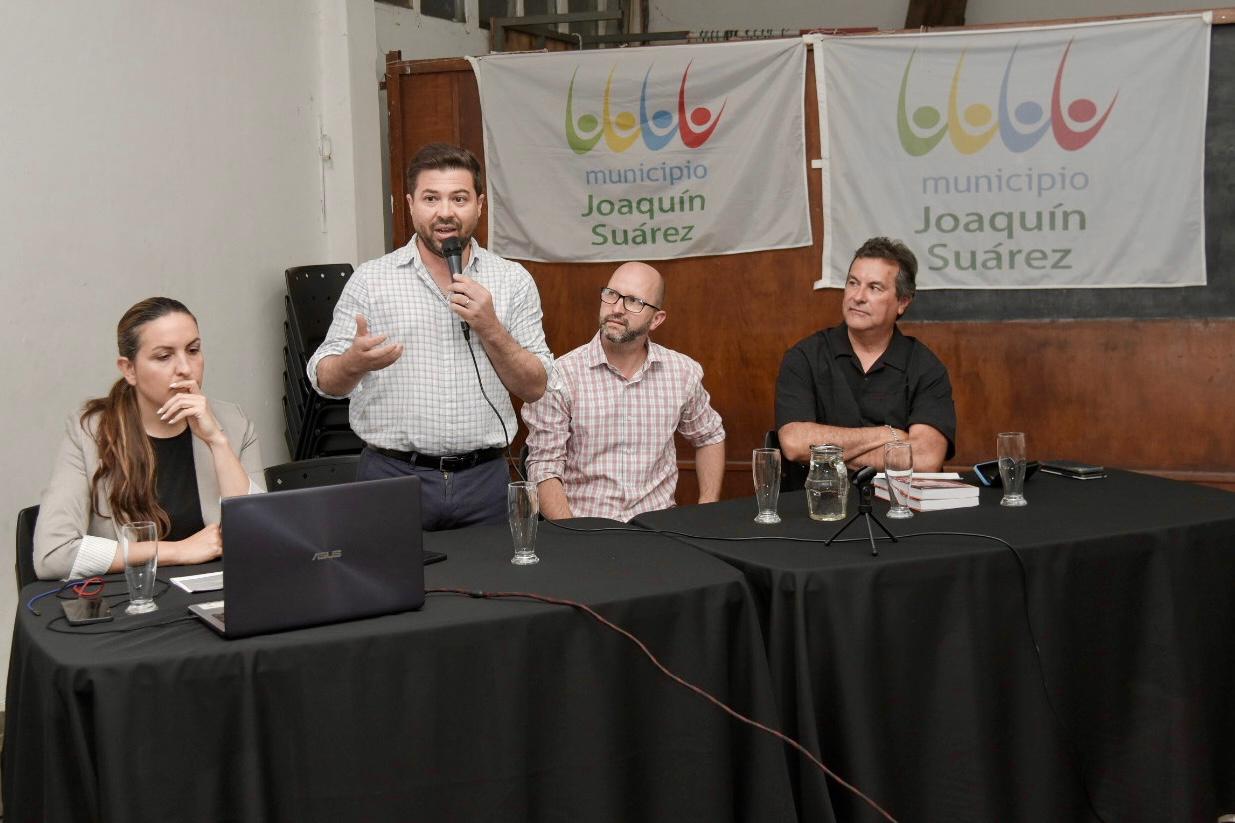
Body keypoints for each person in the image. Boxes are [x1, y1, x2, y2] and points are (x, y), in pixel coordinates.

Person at [308, 143, 552, 529]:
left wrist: (490, 327)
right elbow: (325, 381)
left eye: (459, 198)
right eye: (430, 198)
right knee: (388, 589)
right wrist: (354, 362)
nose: (445, 212)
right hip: (391, 479)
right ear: (410, 204)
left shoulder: (512, 281)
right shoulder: (372, 280)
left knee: (494, 588)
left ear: (480, 204)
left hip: (485, 482)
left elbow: (536, 386)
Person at [34, 298, 264, 580]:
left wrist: (216, 440)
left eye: (193, 350)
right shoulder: (90, 431)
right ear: (129, 369)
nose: (185, 368)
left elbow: (260, 539)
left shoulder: (233, 423)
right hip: (134, 603)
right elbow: (52, 555)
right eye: (164, 356)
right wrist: (177, 550)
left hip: (220, 598)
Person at [522, 261, 725, 521]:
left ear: (656, 319)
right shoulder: (560, 376)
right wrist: (572, 537)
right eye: (611, 295)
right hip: (585, 527)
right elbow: (544, 467)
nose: (617, 308)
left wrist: (707, 506)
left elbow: (710, 436)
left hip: (658, 530)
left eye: (634, 301)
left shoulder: (682, 372)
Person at [775, 236, 956, 472]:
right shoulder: (804, 357)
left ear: (902, 302)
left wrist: (827, 454)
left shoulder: (926, 367)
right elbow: (794, 443)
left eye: (874, 287)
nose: (858, 296)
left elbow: (925, 458)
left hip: (898, 506)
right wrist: (888, 434)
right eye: (853, 283)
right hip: (819, 504)